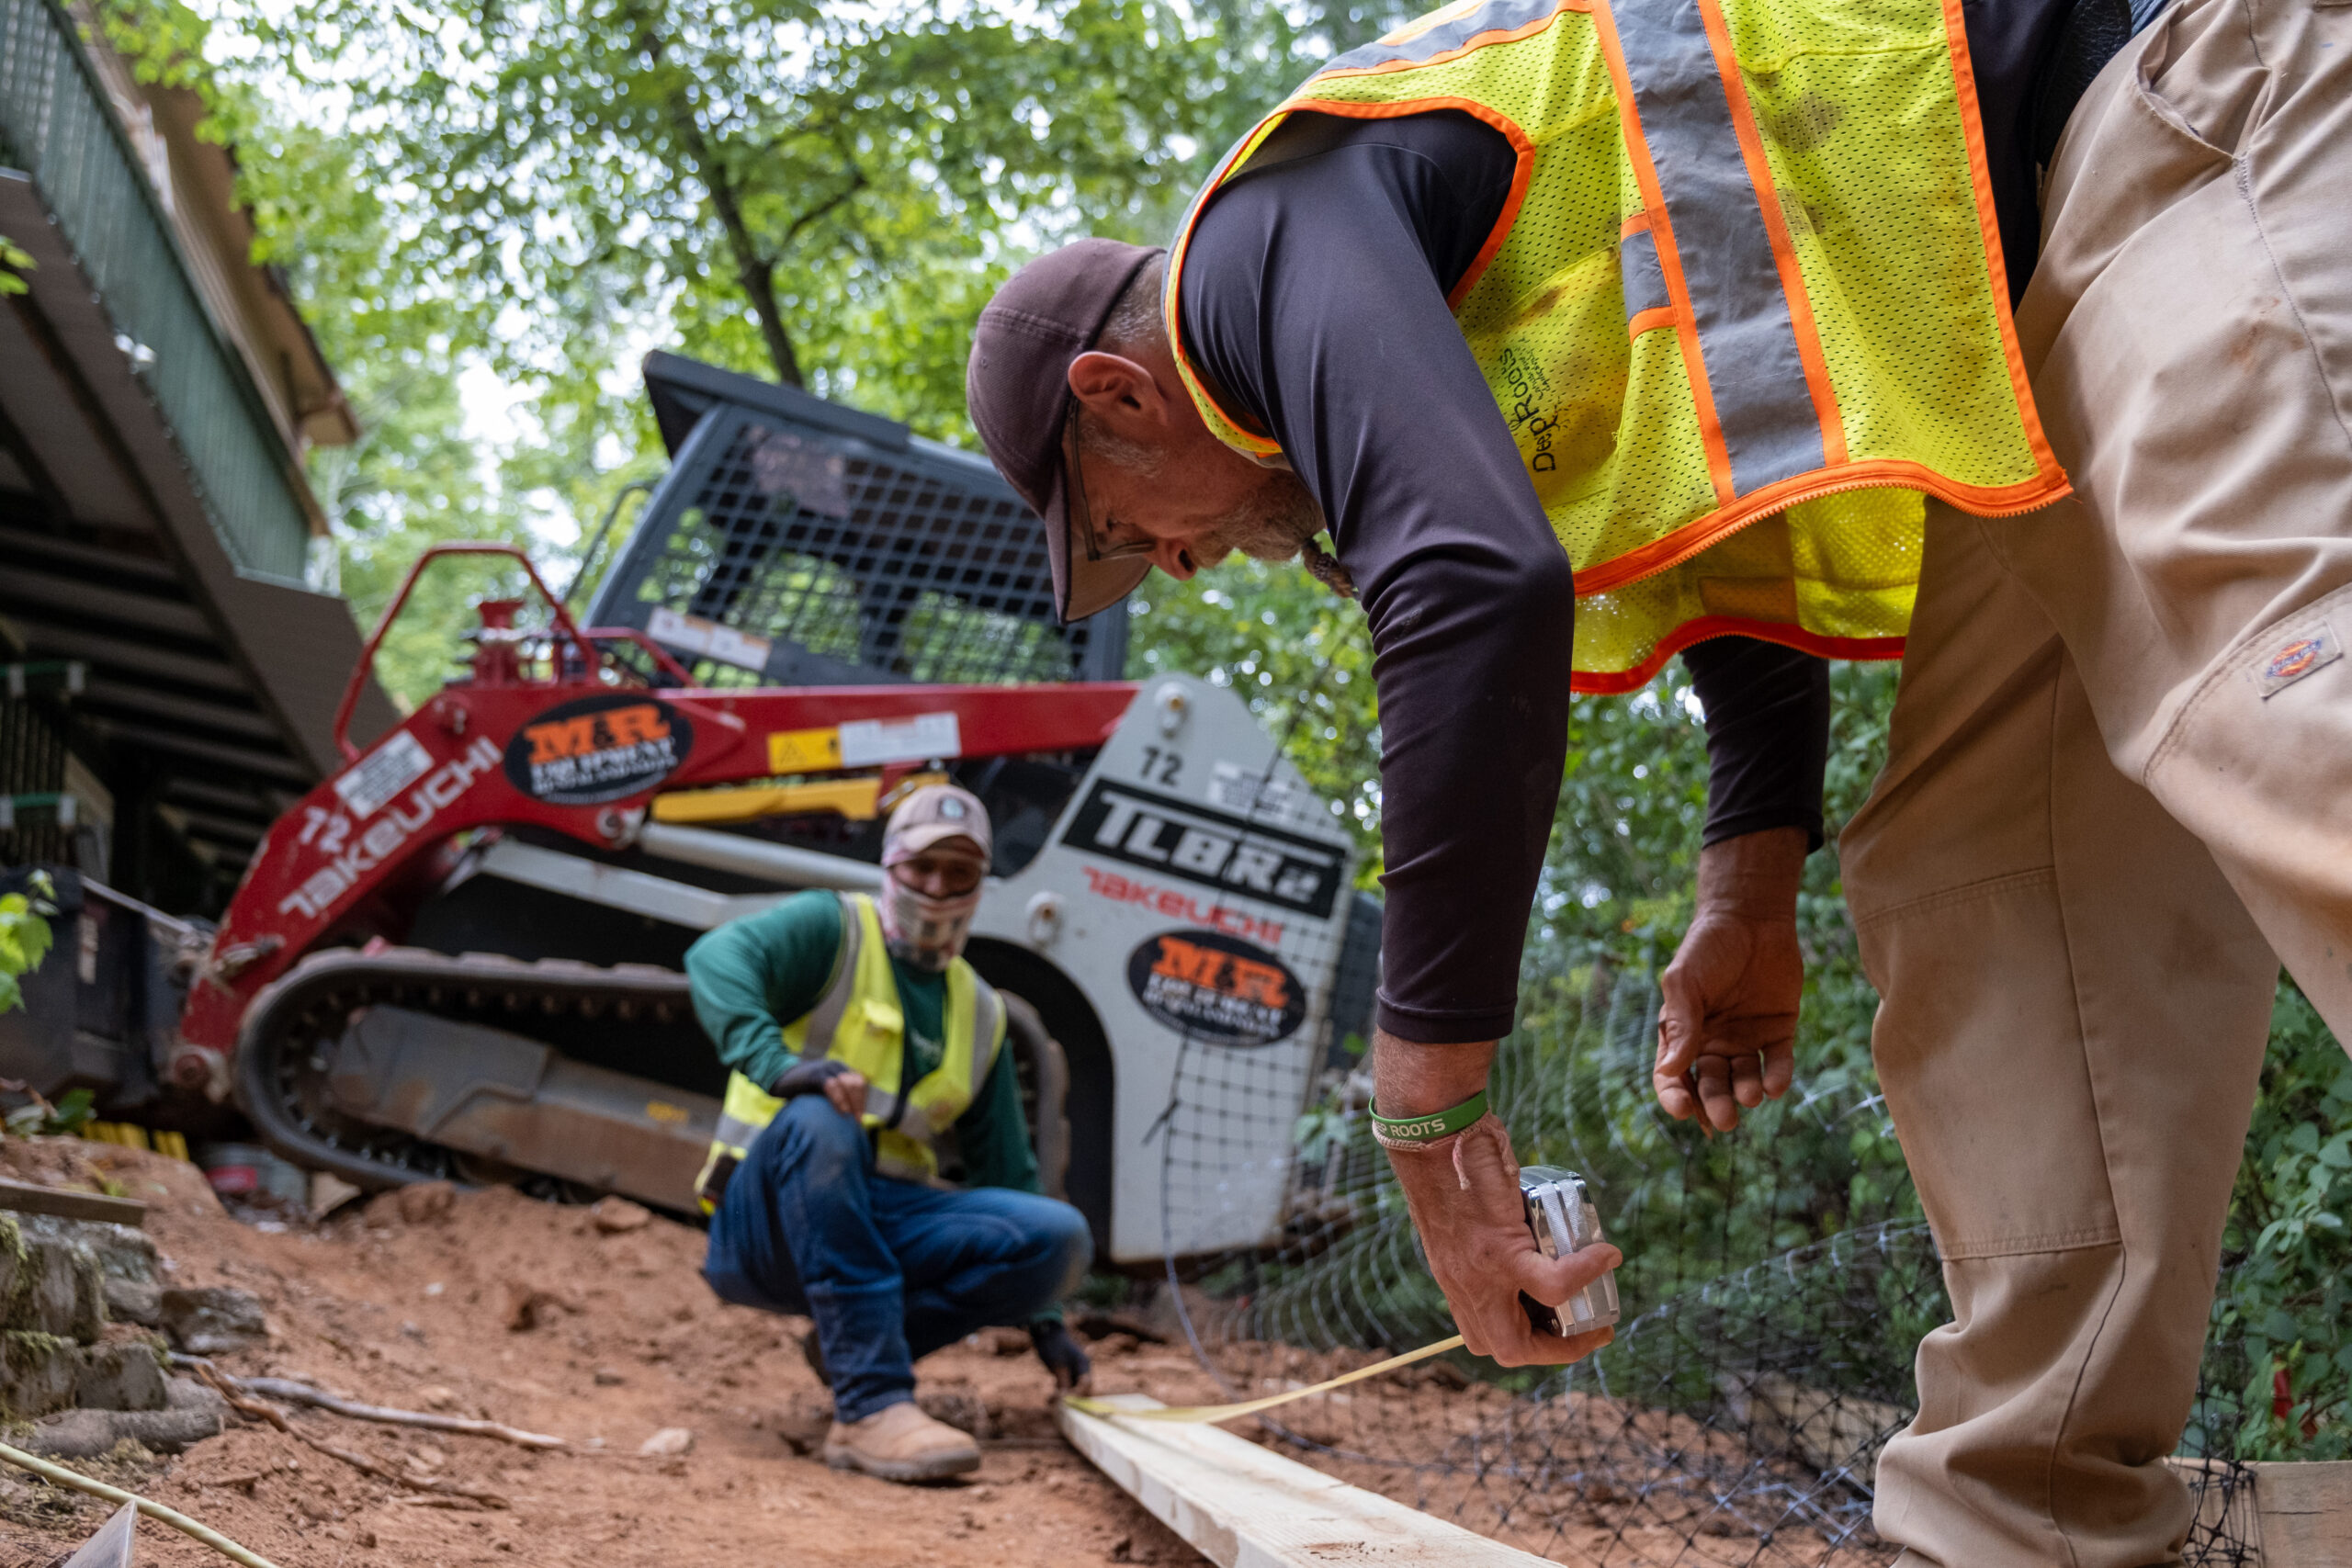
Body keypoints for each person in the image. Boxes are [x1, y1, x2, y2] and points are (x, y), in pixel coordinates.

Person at [962, 0, 2351, 1555]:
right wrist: (1748, 886)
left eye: (1125, 528)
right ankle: (2027, 1522)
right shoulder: (1447, 307)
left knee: (2285, 686)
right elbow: (1729, 491)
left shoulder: (1256, 240)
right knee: (1986, 871)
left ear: (1118, 394)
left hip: (2187, 94)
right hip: (2023, 312)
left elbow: (1470, 581)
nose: (1176, 562)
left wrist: (1430, 1118)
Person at [687, 784, 1095, 1483]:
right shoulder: (832, 929)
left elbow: (1008, 1171)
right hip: (765, 1227)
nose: (936, 888)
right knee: (823, 1117)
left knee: (1058, 1237)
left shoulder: (981, 1013)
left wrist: (1046, 1317)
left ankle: (848, 1345)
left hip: (879, 1222)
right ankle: (870, 1404)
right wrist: (780, 1066)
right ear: (891, 864)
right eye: (922, 867)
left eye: (958, 873)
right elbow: (714, 958)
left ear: (980, 884)